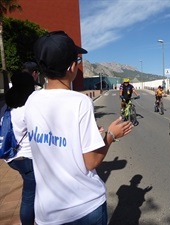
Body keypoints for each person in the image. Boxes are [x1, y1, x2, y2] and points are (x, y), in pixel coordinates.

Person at [24, 30, 134, 225]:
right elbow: (90, 162)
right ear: (71, 66)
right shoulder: (80, 102)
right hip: (83, 207)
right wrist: (111, 135)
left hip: (46, 211)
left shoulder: (31, 101)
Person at [3, 72, 36, 225]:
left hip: (11, 156)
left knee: (31, 192)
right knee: (29, 196)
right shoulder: (27, 109)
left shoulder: (6, 107)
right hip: (27, 159)